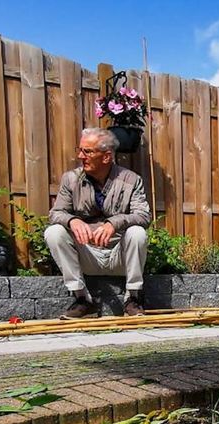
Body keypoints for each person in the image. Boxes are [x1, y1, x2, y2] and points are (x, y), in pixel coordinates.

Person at [45, 128, 150, 318]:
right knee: (54, 232)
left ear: (106, 157)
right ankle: (82, 299)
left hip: (119, 255)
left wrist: (114, 222)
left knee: (137, 232)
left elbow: (143, 216)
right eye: (80, 150)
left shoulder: (132, 180)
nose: (80, 156)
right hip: (87, 254)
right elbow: (55, 213)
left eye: (88, 152)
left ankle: (132, 298)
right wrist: (73, 220)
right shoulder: (70, 180)